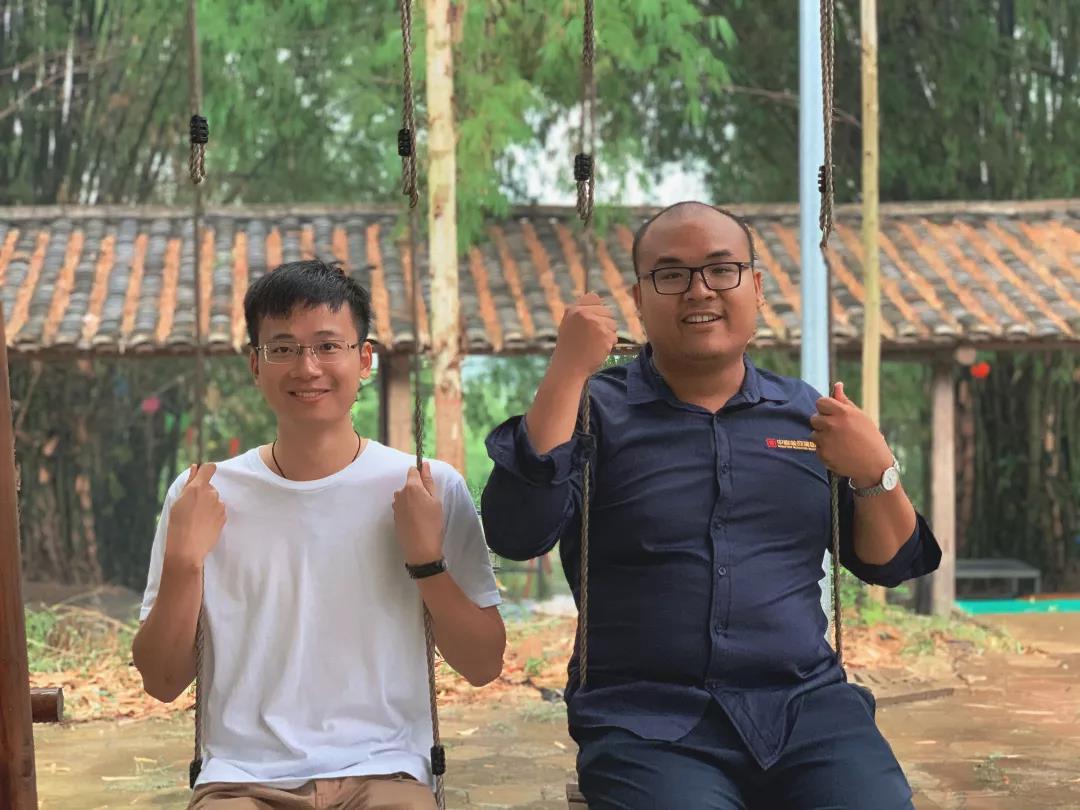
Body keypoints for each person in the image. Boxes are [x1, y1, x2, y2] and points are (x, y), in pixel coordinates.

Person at [481, 202, 941, 809]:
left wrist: (876, 471)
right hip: (648, 720)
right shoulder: (595, 414)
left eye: (722, 270)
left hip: (806, 712)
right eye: (671, 275)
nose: (699, 290)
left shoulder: (808, 416)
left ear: (757, 288)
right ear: (639, 299)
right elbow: (517, 532)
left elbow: (891, 563)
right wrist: (567, 371)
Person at [133, 259, 505, 810]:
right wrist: (184, 564)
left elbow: (483, 665)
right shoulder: (203, 495)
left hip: (386, 772)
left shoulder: (427, 489)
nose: (307, 368)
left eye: (328, 346)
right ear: (255, 364)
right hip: (241, 778)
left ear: (364, 359)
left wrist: (427, 563)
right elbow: (162, 681)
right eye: (282, 348)